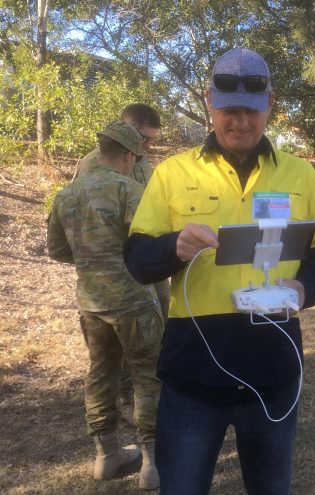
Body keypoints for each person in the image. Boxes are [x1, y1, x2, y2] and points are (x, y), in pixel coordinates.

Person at [123, 47, 315, 495]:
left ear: (271, 105)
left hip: (274, 368)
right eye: (230, 111)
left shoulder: (300, 175)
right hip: (193, 372)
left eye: (251, 111)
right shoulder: (172, 172)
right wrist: (174, 246)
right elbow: (138, 259)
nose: (240, 122)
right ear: (209, 101)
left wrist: (304, 288)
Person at [47, 121, 163, 490]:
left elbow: (57, 250)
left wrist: (92, 258)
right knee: (147, 376)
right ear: (128, 155)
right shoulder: (128, 190)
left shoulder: (65, 195)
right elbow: (149, 243)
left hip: (92, 304)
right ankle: (151, 465)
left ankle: (105, 456)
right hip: (133, 301)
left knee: (100, 373)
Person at [75, 103, 169, 421]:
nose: (147, 147)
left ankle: (156, 389)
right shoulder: (91, 165)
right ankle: (133, 400)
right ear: (126, 127)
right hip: (117, 273)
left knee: (160, 326)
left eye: (151, 141)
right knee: (123, 355)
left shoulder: (142, 160)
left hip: (150, 261)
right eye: (144, 139)